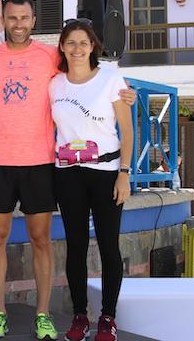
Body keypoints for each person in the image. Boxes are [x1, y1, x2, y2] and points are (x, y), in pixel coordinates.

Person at [0, 0, 134, 340]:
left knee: (41, 240)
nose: (18, 24)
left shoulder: (50, 56)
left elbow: (86, 75)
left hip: (42, 162)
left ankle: (44, 315)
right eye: (12, 18)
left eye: (24, 18)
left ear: (33, 20)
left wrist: (125, 93)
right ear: (3, 20)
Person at [50, 20, 133, 341]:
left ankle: (108, 317)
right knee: (75, 246)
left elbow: (127, 130)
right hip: (68, 174)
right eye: (71, 42)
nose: (77, 49)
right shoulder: (54, 84)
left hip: (106, 173)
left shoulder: (111, 80)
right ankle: (80, 315)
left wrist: (124, 173)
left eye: (83, 43)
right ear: (62, 46)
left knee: (109, 246)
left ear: (93, 47)